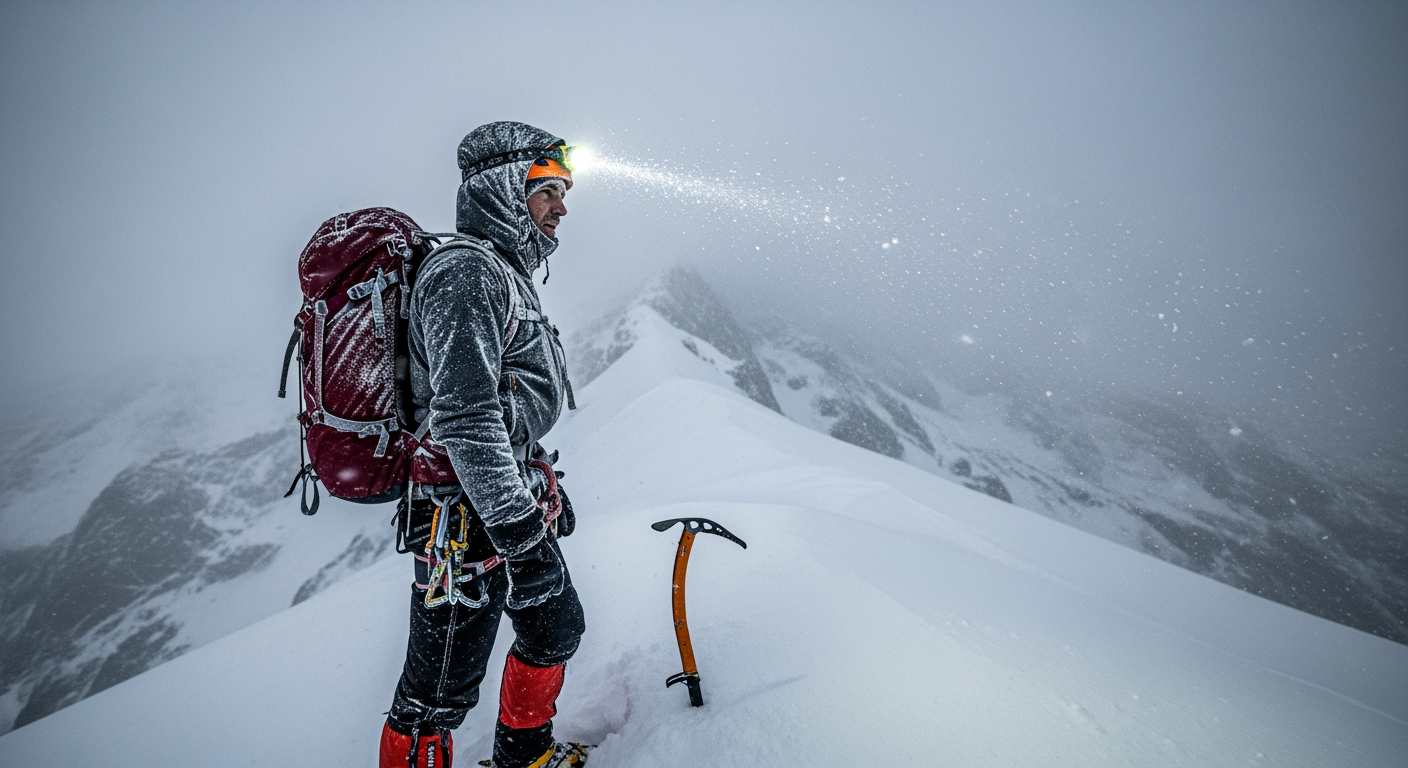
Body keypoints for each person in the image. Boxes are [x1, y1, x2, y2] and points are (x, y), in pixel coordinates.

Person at [378, 122, 588, 768]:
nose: (562, 206)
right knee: (436, 693)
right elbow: (466, 419)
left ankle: (523, 756)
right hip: (460, 525)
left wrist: (539, 478)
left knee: (556, 628)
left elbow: (504, 405)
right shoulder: (465, 271)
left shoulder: (503, 274)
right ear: (502, 189)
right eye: (547, 190)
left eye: (564, 191)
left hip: (502, 504)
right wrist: (524, 542)